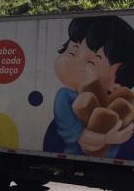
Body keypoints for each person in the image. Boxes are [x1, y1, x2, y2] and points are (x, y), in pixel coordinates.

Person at [52, 15, 134, 157]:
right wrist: (107, 139)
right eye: (72, 52)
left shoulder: (112, 99)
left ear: (116, 71)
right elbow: (80, 136)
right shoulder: (65, 97)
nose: (75, 63)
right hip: (76, 156)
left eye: (91, 62)